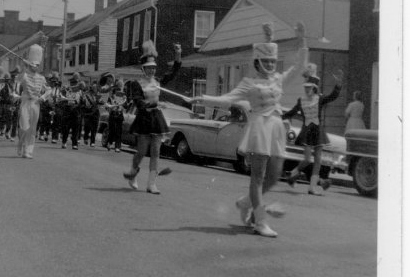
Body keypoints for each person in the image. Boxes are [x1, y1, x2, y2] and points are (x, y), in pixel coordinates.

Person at [191, 22, 308, 238]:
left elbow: (300, 67)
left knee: (274, 176)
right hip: (259, 129)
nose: (270, 65)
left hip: (276, 129)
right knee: (258, 177)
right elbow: (228, 99)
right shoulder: (249, 83)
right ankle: (260, 222)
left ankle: (246, 203)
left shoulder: (279, 80)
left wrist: (302, 40)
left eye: (273, 61)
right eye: (266, 61)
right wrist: (203, 98)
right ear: (257, 62)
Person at [123, 41, 182, 194]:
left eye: (153, 68)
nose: (151, 71)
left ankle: (151, 184)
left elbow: (173, 72)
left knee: (156, 152)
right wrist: (151, 104)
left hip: (156, 119)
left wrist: (178, 54)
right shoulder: (137, 83)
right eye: (148, 68)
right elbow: (138, 102)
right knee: (142, 151)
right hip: (144, 119)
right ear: (143, 69)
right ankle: (133, 175)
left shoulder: (158, 82)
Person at [283, 65, 343, 195]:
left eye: (309, 87)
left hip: (318, 132)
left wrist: (338, 85)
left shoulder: (320, 99)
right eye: (306, 87)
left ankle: (312, 187)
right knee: (306, 159)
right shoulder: (301, 100)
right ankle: (293, 173)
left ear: (314, 88)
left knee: (318, 160)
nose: (307, 89)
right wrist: (280, 116)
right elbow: (292, 112)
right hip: (307, 133)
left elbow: (332, 96)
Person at [16, 44, 47, 159]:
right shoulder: (24, 75)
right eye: (34, 64)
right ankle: (21, 143)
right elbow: (18, 79)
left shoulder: (41, 78)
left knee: (32, 128)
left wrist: (42, 97)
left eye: (38, 65)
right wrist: (24, 67)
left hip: (36, 103)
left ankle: (28, 151)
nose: (36, 66)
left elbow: (49, 90)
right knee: (24, 127)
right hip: (25, 102)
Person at [60, 72, 83, 150]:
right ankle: (64, 142)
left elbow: (81, 100)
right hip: (68, 109)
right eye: (73, 82)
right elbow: (62, 97)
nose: (75, 83)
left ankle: (74, 143)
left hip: (76, 110)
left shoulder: (80, 91)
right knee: (66, 127)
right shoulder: (67, 88)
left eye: (76, 82)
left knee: (76, 128)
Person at [105, 78, 127, 153]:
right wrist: (111, 106)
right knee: (112, 130)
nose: (120, 88)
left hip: (120, 114)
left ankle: (117, 146)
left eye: (121, 86)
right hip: (113, 113)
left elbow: (125, 105)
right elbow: (107, 104)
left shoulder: (124, 95)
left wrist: (124, 103)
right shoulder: (111, 95)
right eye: (119, 86)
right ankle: (110, 142)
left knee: (119, 131)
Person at [81, 81, 101, 147]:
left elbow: (101, 102)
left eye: (96, 88)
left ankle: (92, 141)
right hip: (88, 112)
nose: (95, 89)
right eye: (94, 88)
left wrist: (100, 101)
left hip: (96, 112)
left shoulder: (98, 95)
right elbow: (84, 101)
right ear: (91, 88)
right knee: (87, 126)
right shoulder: (86, 94)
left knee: (94, 128)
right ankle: (86, 137)